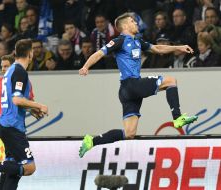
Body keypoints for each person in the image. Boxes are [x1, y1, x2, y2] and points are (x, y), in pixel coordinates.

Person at [78, 13, 198, 158]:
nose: (135, 23)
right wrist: (85, 67)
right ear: (125, 26)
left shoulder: (138, 41)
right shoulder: (120, 40)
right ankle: (177, 118)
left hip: (127, 91)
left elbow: (158, 49)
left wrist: (178, 47)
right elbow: (99, 54)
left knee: (129, 133)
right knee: (170, 80)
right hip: (131, 85)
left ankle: (91, 141)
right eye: (132, 21)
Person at [0, 39, 48, 189]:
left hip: (5, 124)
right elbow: (17, 100)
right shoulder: (19, 71)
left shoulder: (10, 72)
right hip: (12, 127)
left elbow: (14, 101)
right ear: (30, 53)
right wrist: (40, 106)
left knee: (12, 169)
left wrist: (31, 109)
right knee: (29, 168)